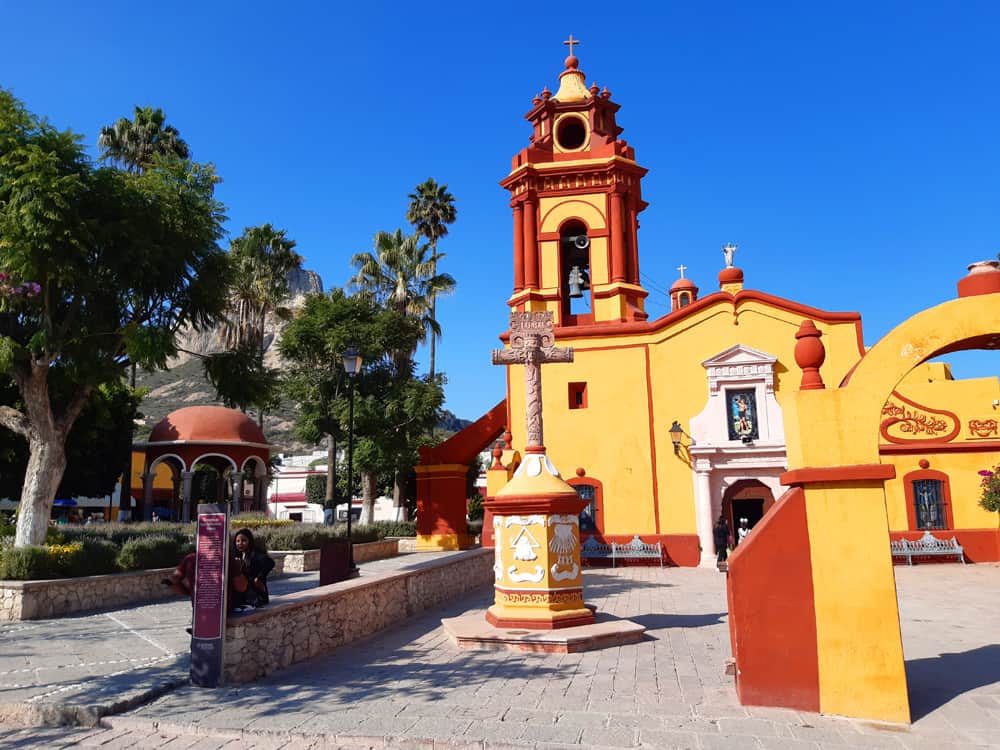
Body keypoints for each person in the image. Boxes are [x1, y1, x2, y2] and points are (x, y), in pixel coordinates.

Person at [230, 527, 275, 611]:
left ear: (249, 541)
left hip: (256, 595)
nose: (240, 544)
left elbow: (270, 563)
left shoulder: (255, 554)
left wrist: (259, 578)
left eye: (244, 541)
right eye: (238, 541)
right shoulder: (238, 555)